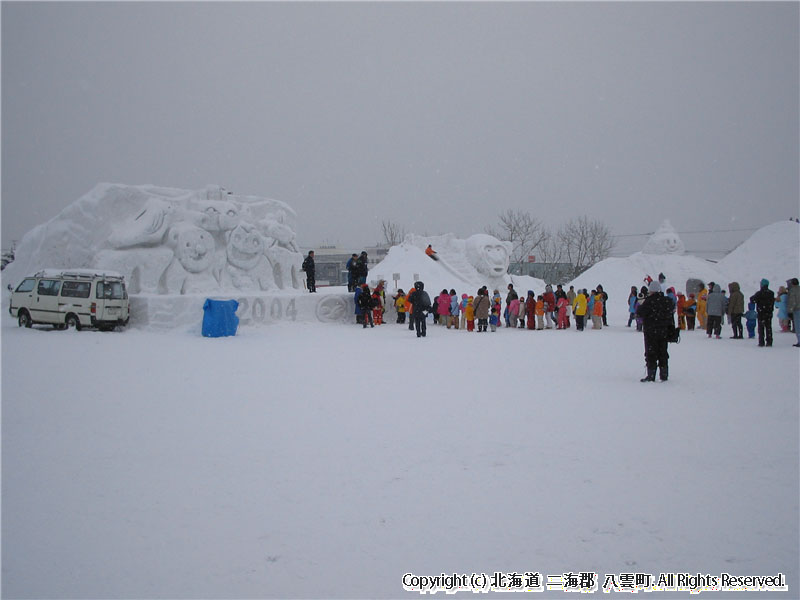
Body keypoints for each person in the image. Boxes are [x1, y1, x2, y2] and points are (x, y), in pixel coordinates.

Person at [636, 280, 675, 382]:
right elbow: (671, 311)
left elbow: (640, 312)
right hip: (664, 330)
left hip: (651, 330)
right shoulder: (667, 301)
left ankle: (651, 374)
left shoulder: (649, 301)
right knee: (663, 352)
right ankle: (664, 374)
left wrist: (641, 303)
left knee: (651, 352)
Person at [750, 279, 775, 347]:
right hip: (769, 312)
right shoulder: (771, 293)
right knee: (768, 327)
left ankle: (761, 342)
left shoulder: (759, 293)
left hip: (761, 312)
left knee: (761, 328)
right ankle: (769, 341)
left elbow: (752, 299)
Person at [786, 278, 800, 347]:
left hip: (797, 310)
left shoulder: (792, 291)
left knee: (798, 326)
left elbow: (792, 301)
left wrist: (790, 311)